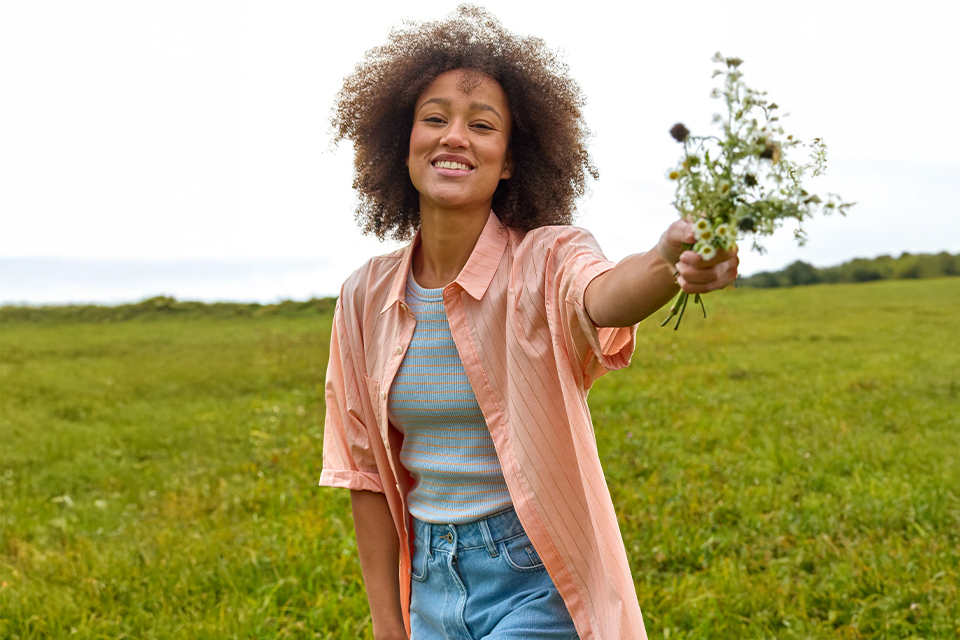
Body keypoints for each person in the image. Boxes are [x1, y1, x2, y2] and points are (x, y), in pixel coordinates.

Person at [319, 6, 738, 639]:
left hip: (535, 578)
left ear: (512, 160)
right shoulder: (363, 297)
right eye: (434, 119)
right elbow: (366, 475)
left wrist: (666, 260)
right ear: (401, 142)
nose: (454, 136)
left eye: (482, 126)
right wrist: (388, 624)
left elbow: (602, 294)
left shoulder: (547, 258)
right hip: (429, 586)